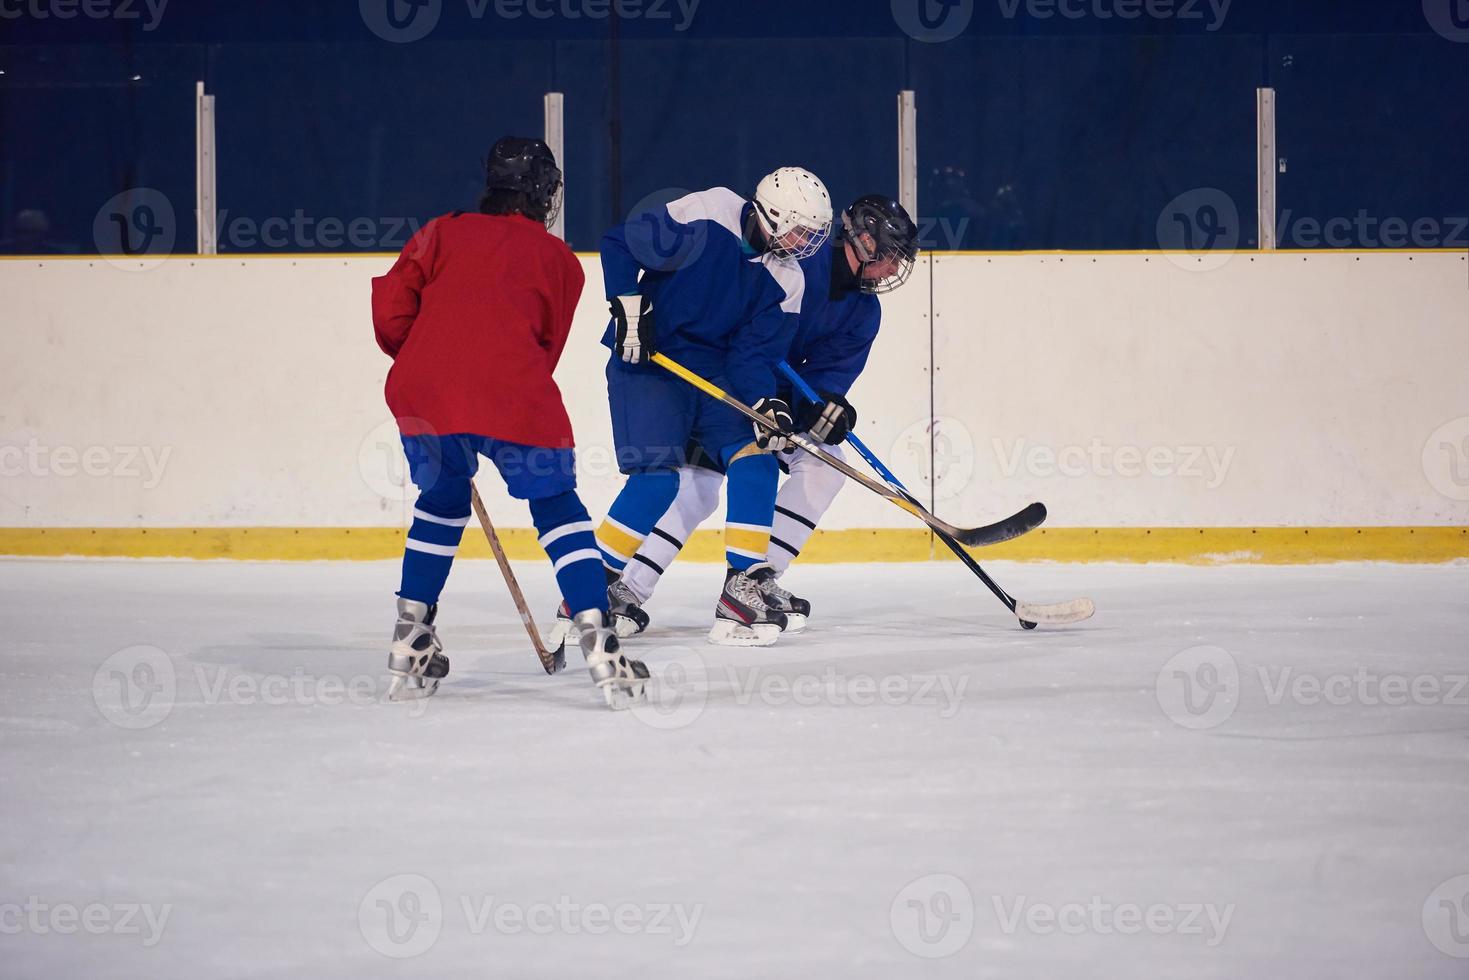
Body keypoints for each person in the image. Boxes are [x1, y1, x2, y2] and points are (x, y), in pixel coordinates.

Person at [371, 136, 647, 707]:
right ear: (545, 194)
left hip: (423, 394)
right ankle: (598, 634)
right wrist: (483, 388)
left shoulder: (439, 232)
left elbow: (391, 313)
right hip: (512, 394)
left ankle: (411, 631)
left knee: (441, 501)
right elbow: (545, 347)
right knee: (556, 505)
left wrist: (437, 367)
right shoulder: (560, 262)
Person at [613, 195, 920, 634]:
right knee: (697, 487)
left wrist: (827, 409)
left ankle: (754, 580)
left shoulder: (864, 314)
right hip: (727, 388)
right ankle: (627, 586)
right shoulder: (797, 259)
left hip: (772, 406)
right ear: (864, 240)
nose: (893, 269)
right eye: (891, 256)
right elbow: (738, 327)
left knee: (825, 468)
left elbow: (828, 381)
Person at [588, 168, 833, 647]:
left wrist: (766, 402)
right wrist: (628, 304)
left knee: (756, 459)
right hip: (653, 360)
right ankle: (591, 584)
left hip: (714, 375)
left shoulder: (789, 279)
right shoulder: (708, 212)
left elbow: (753, 355)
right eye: (802, 228)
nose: (806, 242)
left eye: (813, 233)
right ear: (773, 215)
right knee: (658, 481)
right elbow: (619, 242)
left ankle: (741, 588)